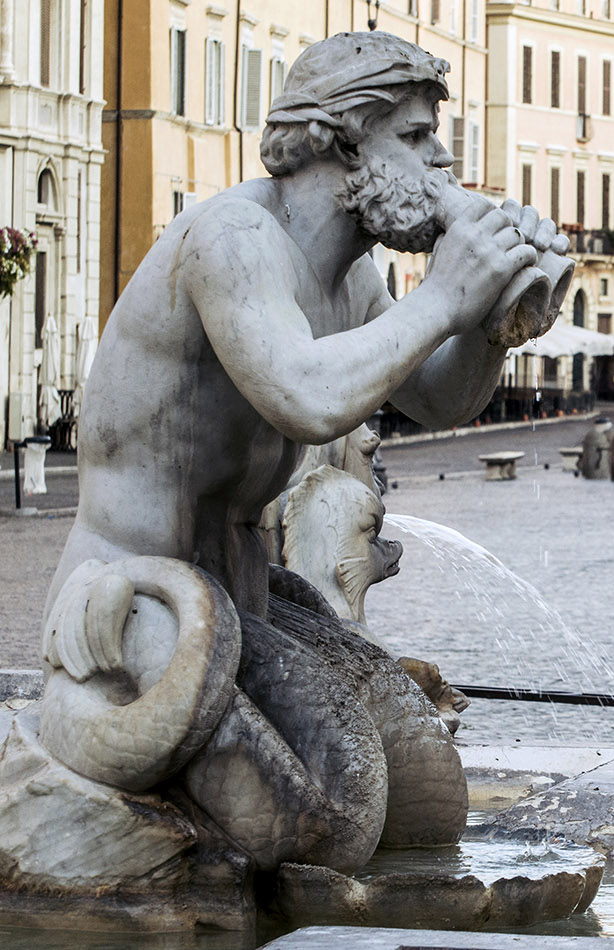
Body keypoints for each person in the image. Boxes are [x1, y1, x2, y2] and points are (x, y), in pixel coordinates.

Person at [47, 32, 567, 619]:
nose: (441, 160)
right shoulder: (234, 237)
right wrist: (445, 297)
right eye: (415, 136)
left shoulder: (352, 279)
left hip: (234, 597)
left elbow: (440, 400)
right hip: (130, 601)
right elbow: (308, 399)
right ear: (338, 142)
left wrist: (493, 325)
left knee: (375, 698)